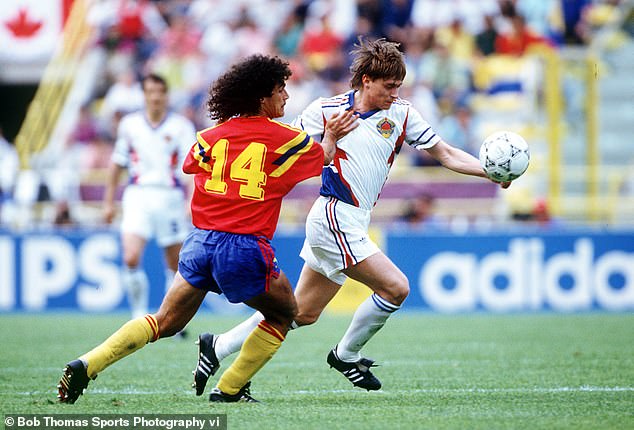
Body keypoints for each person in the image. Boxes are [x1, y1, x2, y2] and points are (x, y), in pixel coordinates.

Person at [192, 38, 510, 394]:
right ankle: (346, 354)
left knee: (302, 314)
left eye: (398, 86)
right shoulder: (327, 110)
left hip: (353, 220)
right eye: (389, 86)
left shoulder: (402, 113)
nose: (394, 93)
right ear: (366, 79)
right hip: (334, 215)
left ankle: (217, 347)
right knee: (396, 287)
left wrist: (489, 171)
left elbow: (447, 153)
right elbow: (284, 152)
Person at [56, 54, 357, 404]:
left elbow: (189, 164)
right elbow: (321, 158)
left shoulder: (209, 136)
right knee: (286, 312)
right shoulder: (286, 138)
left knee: (164, 321)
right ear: (262, 98)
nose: (286, 97)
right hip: (244, 247)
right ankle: (229, 389)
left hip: (200, 241)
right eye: (280, 90)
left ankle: (87, 363)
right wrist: (331, 135)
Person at [103, 73, 195, 319]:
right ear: (143, 95)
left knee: (175, 264)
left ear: (166, 95)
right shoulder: (130, 125)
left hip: (170, 196)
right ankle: (138, 315)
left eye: (160, 92)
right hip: (138, 194)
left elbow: (193, 169)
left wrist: (190, 199)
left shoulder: (181, 127)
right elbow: (117, 164)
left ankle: (171, 318)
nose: (155, 97)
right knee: (130, 256)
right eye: (150, 92)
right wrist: (108, 202)